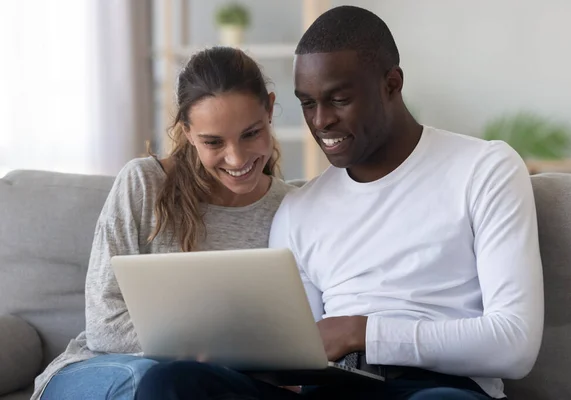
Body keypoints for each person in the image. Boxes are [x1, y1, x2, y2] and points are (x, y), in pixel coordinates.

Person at [134, 5, 544, 400]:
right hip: (332, 389)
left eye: (339, 100)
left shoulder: (485, 168)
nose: (320, 121)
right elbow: (295, 362)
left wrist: (360, 333)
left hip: (439, 387)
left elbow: (514, 344)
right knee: (170, 383)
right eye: (307, 103)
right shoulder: (299, 209)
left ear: (392, 84)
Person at [31, 46, 297, 400]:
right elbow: (104, 325)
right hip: (104, 369)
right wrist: (209, 358)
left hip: (204, 383)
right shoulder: (143, 183)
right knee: (159, 380)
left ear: (269, 109)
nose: (236, 158)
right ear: (187, 132)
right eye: (213, 142)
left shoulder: (290, 208)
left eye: (250, 133)